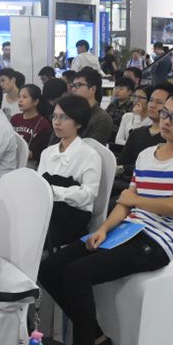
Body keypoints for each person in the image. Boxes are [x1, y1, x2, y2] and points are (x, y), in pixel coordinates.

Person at [38, 89, 173, 345]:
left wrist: (135, 201)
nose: (166, 120)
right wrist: (104, 228)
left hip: (156, 242)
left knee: (77, 273)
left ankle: (86, 342)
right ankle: (97, 335)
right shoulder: (146, 155)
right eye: (164, 113)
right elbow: (124, 203)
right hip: (126, 231)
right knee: (49, 268)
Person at [39, 94, 102, 251]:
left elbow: (89, 195)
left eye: (64, 117)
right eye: (54, 116)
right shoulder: (47, 153)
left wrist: (55, 192)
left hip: (72, 217)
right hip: (46, 211)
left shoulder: (90, 155)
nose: (56, 122)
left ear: (79, 123)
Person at [114, 83, 173, 195]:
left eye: (159, 102)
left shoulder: (170, 139)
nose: (152, 105)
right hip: (123, 182)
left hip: (146, 188)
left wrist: (124, 168)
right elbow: (122, 161)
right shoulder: (137, 132)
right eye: (151, 100)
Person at [68, 68, 113, 145]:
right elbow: (52, 145)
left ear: (92, 89)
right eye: (73, 86)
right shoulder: (69, 112)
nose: (73, 90)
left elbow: (91, 149)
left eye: (78, 85)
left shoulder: (102, 118)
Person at [10, 84, 52, 164]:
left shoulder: (43, 124)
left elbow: (41, 153)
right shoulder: (14, 119)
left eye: (24, 97)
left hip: (30, 165)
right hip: (12, 162)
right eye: (19, 97)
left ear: (35, 101)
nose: (20, 100)